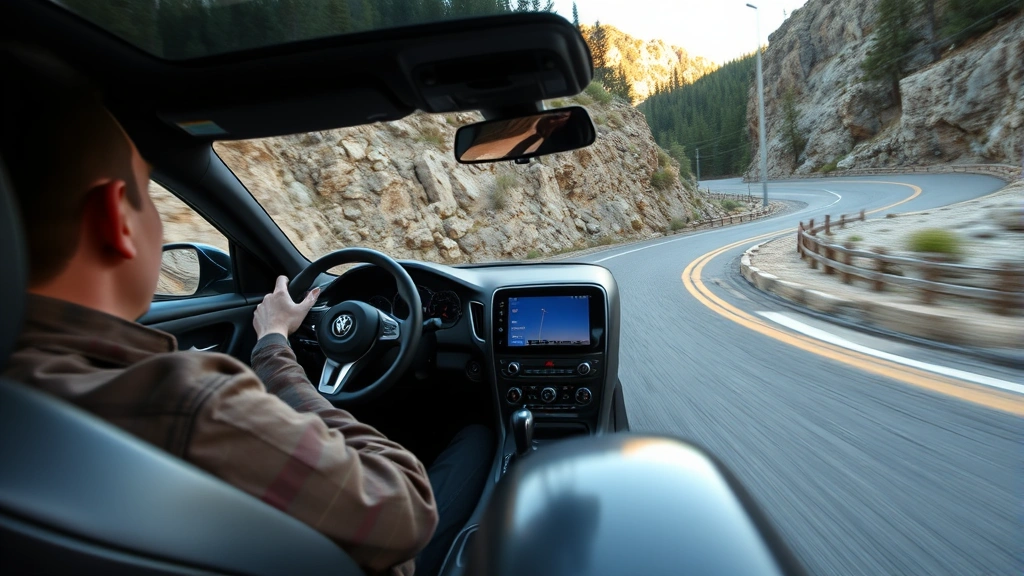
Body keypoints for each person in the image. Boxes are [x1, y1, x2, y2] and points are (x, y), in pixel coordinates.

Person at [0, 47, 491, 576]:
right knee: (479, 438)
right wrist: (275, 349)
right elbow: (407, 507)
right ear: (115, 219)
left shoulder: (26, 393)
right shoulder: (193, 405)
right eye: (147, 192)